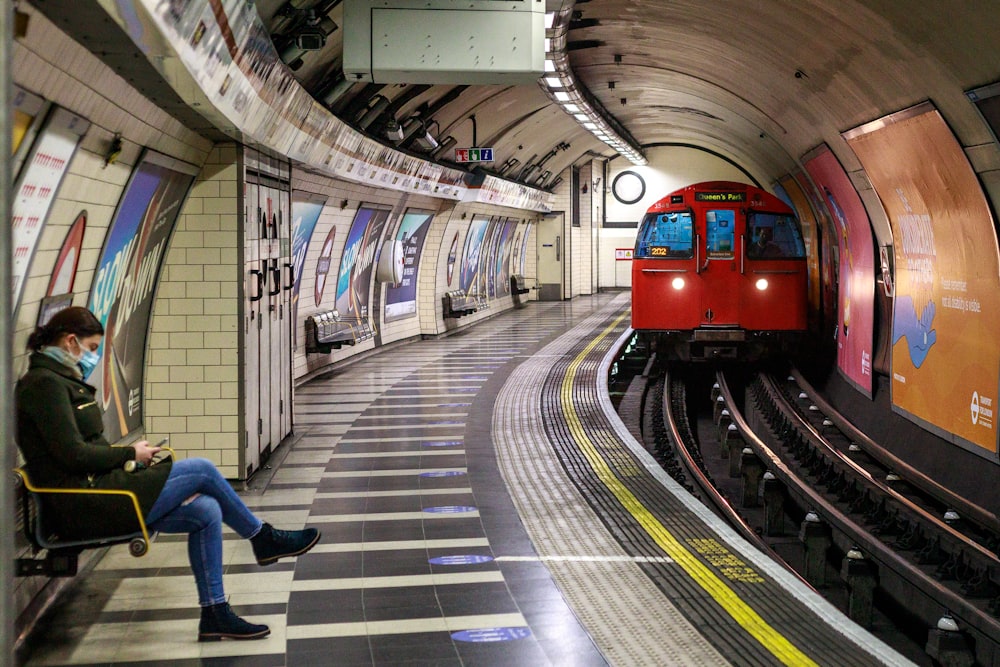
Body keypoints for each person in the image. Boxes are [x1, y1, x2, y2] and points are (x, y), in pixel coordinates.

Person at [15, 306, 321, 642]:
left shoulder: (59, 381)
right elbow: (73, 454)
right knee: (202, 469)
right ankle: (262, 537)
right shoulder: (42, 386)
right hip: (87, 503)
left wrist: (129, 460)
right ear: (70, 341)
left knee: (206, 511)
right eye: (90, 349)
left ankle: (214, 612)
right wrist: (129, 453)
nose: (93, 357)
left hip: (102, 491)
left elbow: (81, 451)